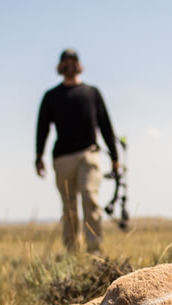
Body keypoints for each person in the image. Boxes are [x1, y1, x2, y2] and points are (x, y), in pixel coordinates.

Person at [35, 49, 119, 254]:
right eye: (66, 62)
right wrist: (39, 156)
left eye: (73, 61)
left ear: (79, 65)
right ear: (60, 66)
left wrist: (115, 156)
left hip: (88, 155)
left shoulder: (92, 93)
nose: (70, 65)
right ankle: (73, 253)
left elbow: (106, 125)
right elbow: (42, 128)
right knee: (70, 208)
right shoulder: (51, 96)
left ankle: (95, 252)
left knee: (90, 197)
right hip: (63, 159)